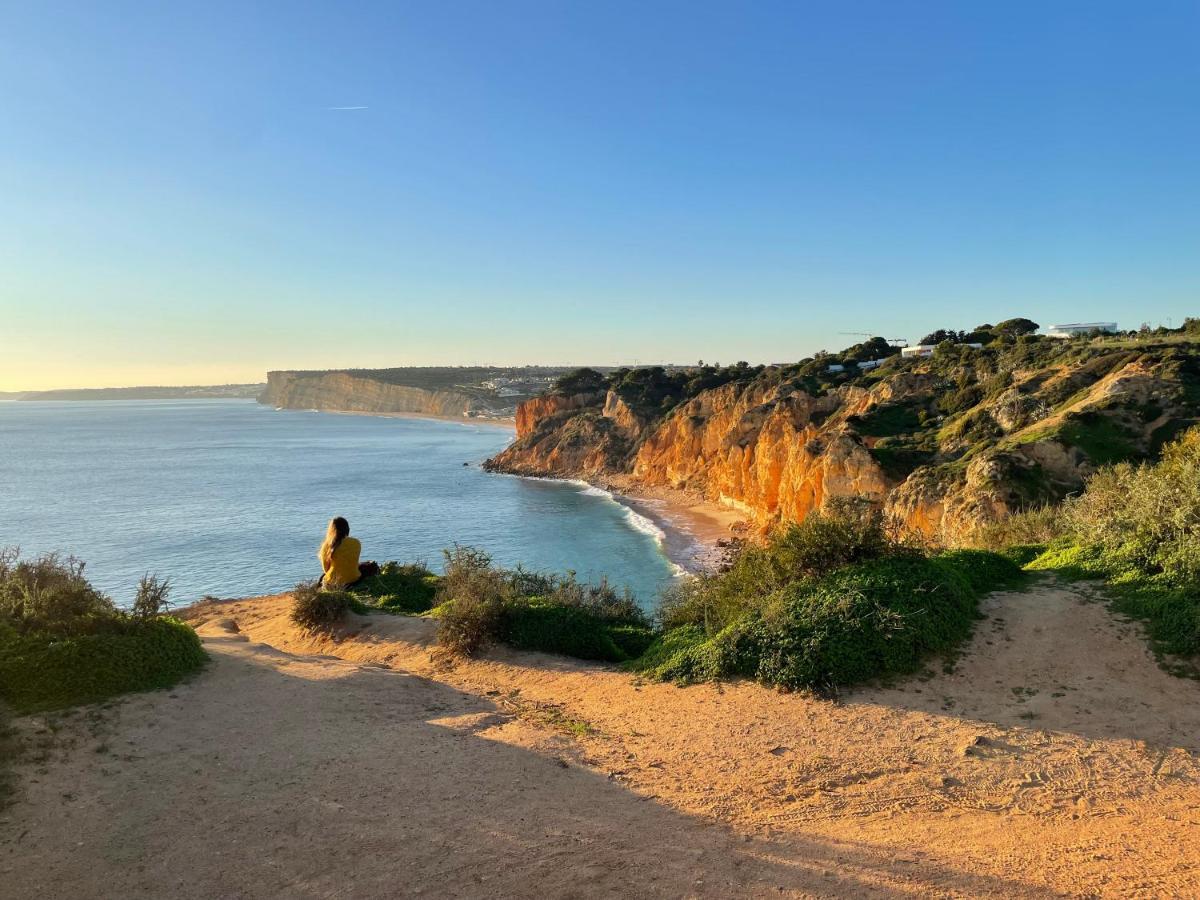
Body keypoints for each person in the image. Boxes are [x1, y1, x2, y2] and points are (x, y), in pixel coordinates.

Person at [318, 516, 379, 588]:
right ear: (347, 529)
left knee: (322, 577)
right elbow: (352, 562)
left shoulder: (327, 545)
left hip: (332, 583)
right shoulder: (356, 542)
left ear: (331, 530)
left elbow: (326, 569)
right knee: (367, 565)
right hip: (353, 580)